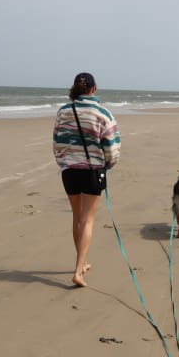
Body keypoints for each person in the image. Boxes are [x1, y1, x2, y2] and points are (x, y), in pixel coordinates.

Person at [53, 72, 121, 287]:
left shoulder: (63, 111)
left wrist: (64, 163)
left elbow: (57, 142)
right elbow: (112, 146)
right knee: (88, 219)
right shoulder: (103, 113)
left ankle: (81, 264)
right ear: (93, 88)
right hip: (92, 170)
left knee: (77, 218)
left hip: (69, 171)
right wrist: (108, 165)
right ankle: (78, 271)